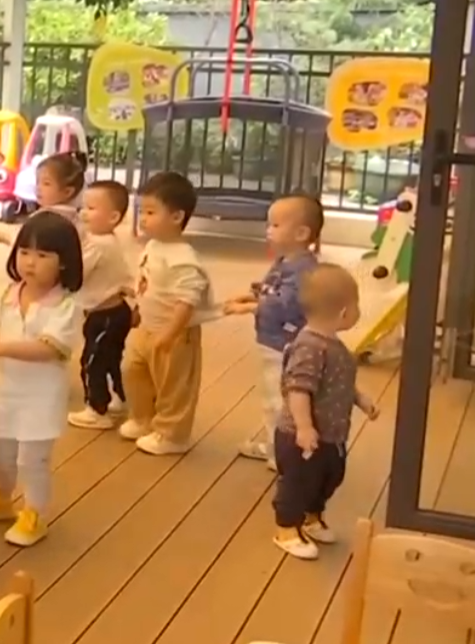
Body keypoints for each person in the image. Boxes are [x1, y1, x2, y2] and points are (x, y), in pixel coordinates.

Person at [0, 211, 83, 548]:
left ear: (64, 261)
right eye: (24, 252)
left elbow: (48, 349)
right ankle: (0, 498)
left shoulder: (67, 305)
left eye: (43, 255)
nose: (30, 262)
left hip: (41, 398)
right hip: (6, 392)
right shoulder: (5, 293)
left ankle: (34, 513)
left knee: (33, 459)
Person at [271, 264, 379, 560]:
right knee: (299, 481)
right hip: (302, 436)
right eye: (357, 305)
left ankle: (312, 517)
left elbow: (338, 383)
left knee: (328, 477)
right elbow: (299, 388)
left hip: (331, 434)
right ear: (344, 312)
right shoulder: (309, 347)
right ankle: (286, 528)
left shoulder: (335, 347)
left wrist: (361, 399)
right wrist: (304, 427)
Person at [224, 194, 324, 469]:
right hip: (274, 342)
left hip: (286, 346)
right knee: (273, 398)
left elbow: (286, 304)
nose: (268, 230)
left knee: (279, 401)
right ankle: (275, 444)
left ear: (301, 233)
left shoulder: (302, 269)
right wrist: (255, 294)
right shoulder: (287, 261)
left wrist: (252, 307)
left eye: (276, 225)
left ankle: (283, 454)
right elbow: (275, 292)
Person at [121, 172, 218, 456]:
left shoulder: (184, 258)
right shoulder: (153, 246)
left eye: (151, 212)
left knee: (173, 385)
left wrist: (171, 332)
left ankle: (172, 434)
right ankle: (143, 419)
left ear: (177, 217)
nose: (142, 218)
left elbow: (187, 300)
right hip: (146, 326)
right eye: (142, 211)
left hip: (175, 333)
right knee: (133, 370)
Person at [67, 181, 136, 430]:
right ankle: (118, 398)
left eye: (92, 208)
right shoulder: (106, 240)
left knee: (92, 362)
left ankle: (97, 410)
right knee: (110, 359)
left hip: (104, 315)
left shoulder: (98, 244)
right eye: (83, 207)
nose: (84, 213)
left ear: (113, 217)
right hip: (115, 312)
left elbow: (77, 273)